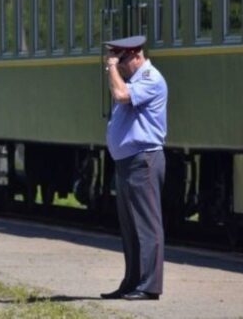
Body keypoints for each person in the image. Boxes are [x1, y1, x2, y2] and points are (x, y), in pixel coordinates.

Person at [100, 35, 168, 301]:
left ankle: (150, 285)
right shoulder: (133, 79)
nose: (119, 65)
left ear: (137, 55)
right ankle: (132, 282)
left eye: (123, 59)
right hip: (128, 161)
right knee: (130, 228)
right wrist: (116, 69)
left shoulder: (151, 79)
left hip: (144, 160)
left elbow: (120, 95)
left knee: (147, 225)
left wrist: (111, 69)